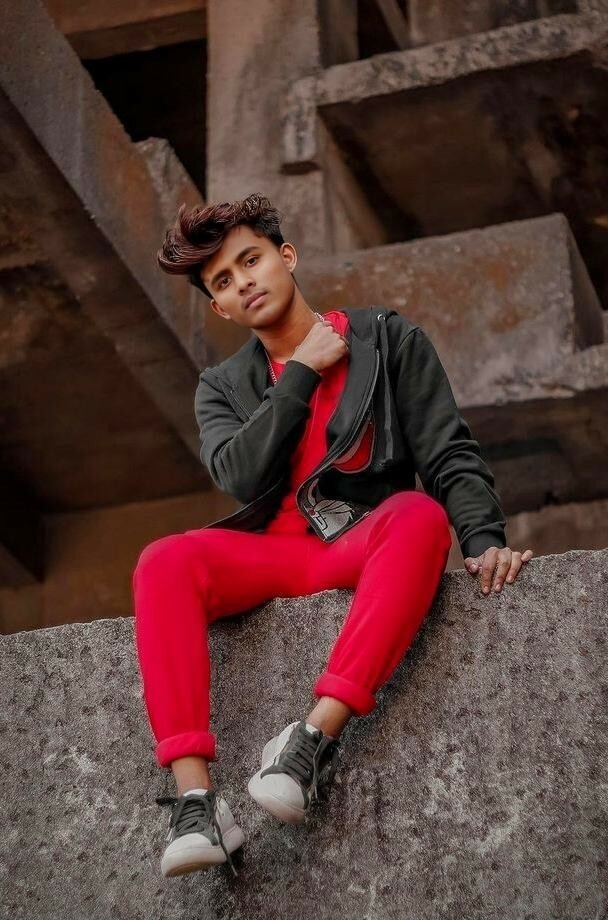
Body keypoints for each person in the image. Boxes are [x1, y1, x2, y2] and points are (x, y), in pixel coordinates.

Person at [132, 192, 534, 879]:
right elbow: (240, 474)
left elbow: (447, 450)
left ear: (286, 256)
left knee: (419, 513)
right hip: (272, 554)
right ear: (219, 307)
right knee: (163, 560)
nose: (243, 282)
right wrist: (302, 373)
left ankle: (309, 744)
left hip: (361, 543)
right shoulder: (221, 386)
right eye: (223, 281)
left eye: (250, 260)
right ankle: (197, 803)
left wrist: (482, 538)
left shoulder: (387, 340)